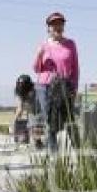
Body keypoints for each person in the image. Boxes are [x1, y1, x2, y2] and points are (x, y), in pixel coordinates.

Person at [33, 12, 80, 151]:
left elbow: (75, 68)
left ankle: (79, 151)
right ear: (48, 28)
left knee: (69, 117)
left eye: (60, 23)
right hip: (45, 86)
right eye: (54, 24)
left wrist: (74, 87)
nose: (57, 26)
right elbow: (36, 69)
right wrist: (39, 55)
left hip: (65, 85)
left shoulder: (71, 44)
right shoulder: (43, 45)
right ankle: (54, 153)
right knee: (50, 119)